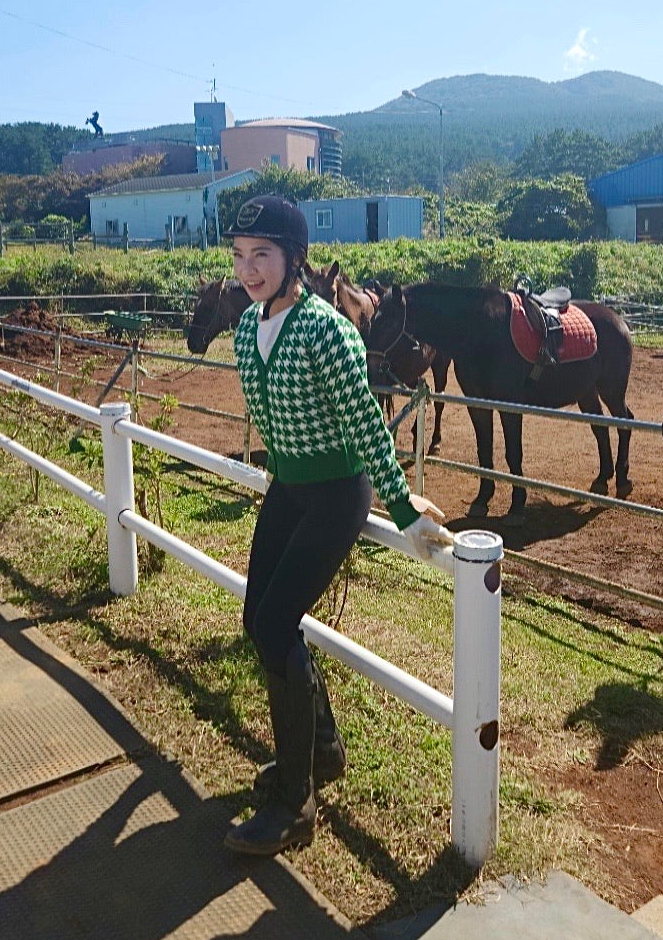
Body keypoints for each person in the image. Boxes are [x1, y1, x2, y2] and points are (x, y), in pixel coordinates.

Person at [221, 194, 451, 856]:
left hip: (334, 494)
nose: (248, 268)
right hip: (288, 487)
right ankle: (320, 750)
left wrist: (402, 507)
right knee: (258, 620)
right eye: (239, 255)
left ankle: (295, 802)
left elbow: (364, 420)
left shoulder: (328, 330)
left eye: (262, 254)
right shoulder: (247, 327)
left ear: (294, 258)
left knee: (274, 626)